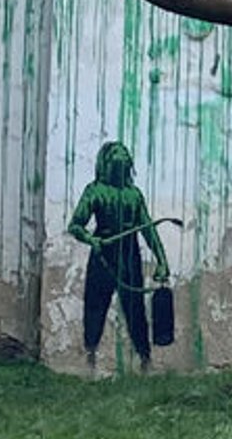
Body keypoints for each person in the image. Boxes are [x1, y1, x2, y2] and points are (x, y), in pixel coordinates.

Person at [69, 140, 169, 371]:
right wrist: (90, 239)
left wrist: (162, 260)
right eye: (115, 154)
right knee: (95, 305)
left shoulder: (134, 195)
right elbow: (75, 225)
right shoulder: (94, 191)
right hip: (104, 251)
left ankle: (144, 357)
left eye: (124, 154)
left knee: (135, 307)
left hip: (129, 254)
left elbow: (147, 229)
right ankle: (91, 356)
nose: (120, 157)